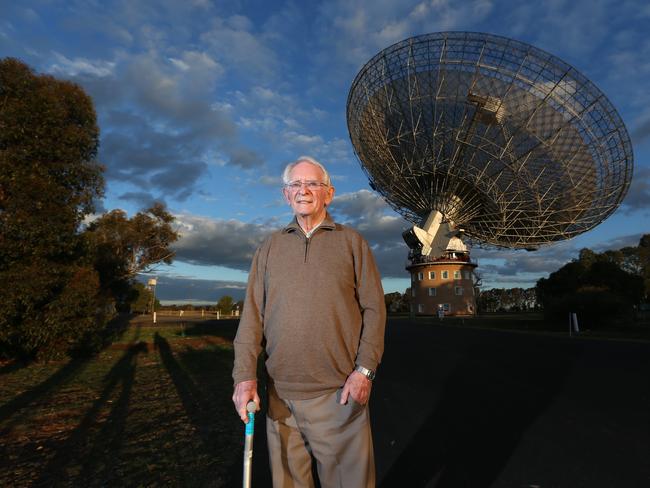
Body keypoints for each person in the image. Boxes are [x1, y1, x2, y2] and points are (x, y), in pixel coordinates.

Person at [232, 156, 386, 487]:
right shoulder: (269, 247)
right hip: (279, 402)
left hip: (338, 397)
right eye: (296, 185)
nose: (304, 190)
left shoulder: (352, 243)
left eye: (312, 183)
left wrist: (365, 371)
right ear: (286, 195)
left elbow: (375, 309)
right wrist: (244, 377)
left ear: (328, 194)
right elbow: (252, 317)